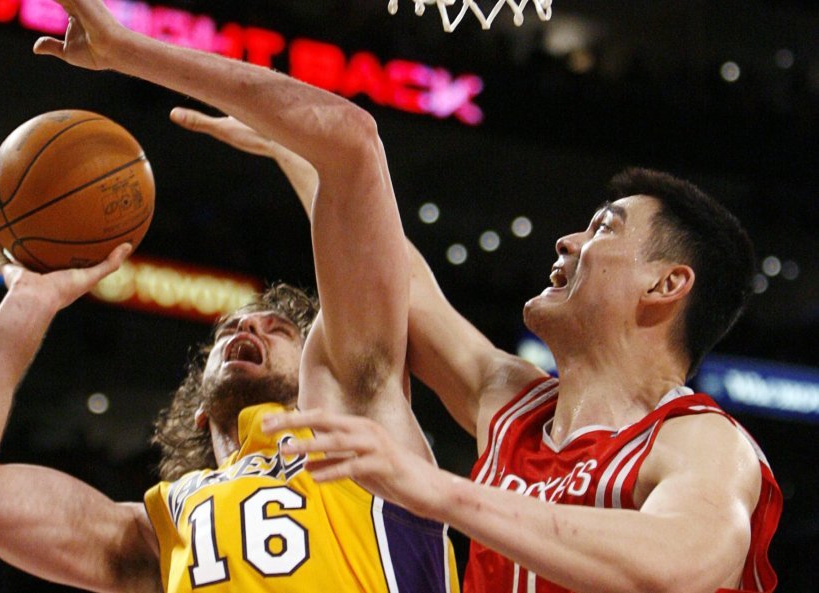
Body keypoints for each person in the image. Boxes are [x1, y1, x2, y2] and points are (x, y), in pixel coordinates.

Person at [0, 0, 459, 591]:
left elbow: (352, 143)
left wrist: (127, 50)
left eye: (280, 329)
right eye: (232, 331)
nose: (248, 329)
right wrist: (30, 301)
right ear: (198, 408)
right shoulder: (157, 531)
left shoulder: (366, 430)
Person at [169, 105, 783, 593]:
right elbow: (394, 278)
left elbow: (680, 566)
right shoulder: (514, 407)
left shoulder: (702, 438)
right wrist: (304, 156)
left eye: (603, 228)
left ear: (666, 284)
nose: (568, 241)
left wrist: (434, 489)